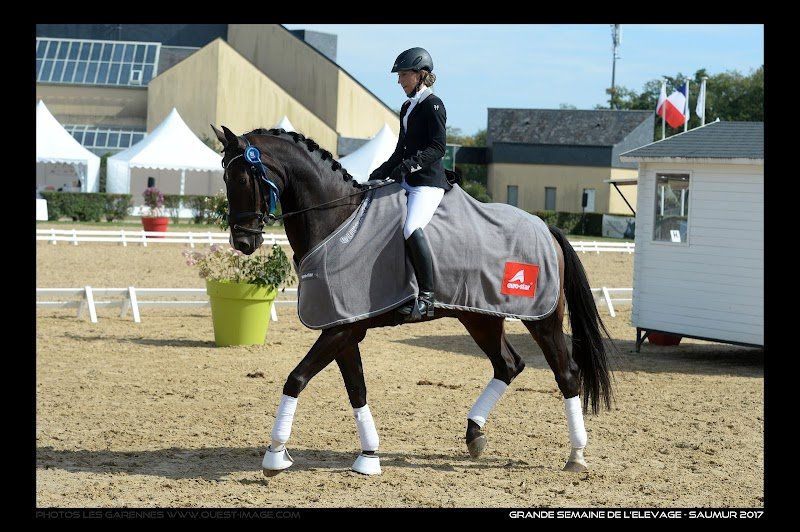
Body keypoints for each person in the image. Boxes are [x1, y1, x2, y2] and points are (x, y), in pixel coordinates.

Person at [369, 47, 452, 322]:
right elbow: (400, 149)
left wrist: (409, 165)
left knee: (410, 227)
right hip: (406, 180)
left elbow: (438, 148)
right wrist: (382, 171)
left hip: (427, 184)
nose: (399, 80)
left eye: (404, 74)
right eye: (400, 75)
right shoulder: (407, 106)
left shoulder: (433, 104)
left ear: (421, 75)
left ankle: (427, 297)